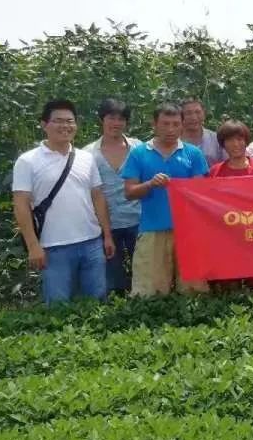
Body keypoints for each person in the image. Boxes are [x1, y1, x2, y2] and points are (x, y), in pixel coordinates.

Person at [12, 100, 115, 305]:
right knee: (58, 308)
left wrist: (107, 235)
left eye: (69, 121)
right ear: (44, 124)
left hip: (91, 243)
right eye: (58, 121)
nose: (65, 126)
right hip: (53, 248)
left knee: (97, 305)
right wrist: (33, 246)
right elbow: (21, 204)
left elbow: (97, 196)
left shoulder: (86, 158)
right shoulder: (28, 161)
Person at [121, 102, 210, 297]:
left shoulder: (193, 154)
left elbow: (200, 192)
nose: (171, 129)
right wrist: (150, 184)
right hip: (152, 229)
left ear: (182, 125)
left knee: (194, 291)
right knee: (149, 293)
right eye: (165, 124)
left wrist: (186, 188)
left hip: (188, 230)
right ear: (154, 124)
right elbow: (129, 192)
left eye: (175, 124)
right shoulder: (139, 153)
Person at [83, 98, 142, 294]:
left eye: (121, 119)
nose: (116, 123)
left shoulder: (138, 148)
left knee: (142, 272)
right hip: (107, 224)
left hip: (138, 220)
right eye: (111, 118)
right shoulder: (88, 154)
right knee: (113, 278)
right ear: (102, 120)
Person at [180, 98, 224, 166]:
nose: (194, 117)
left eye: (198, 112)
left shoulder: (217, 139)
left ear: (204, 114)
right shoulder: (174, 140)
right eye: (188, 113)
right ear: (180, 116)